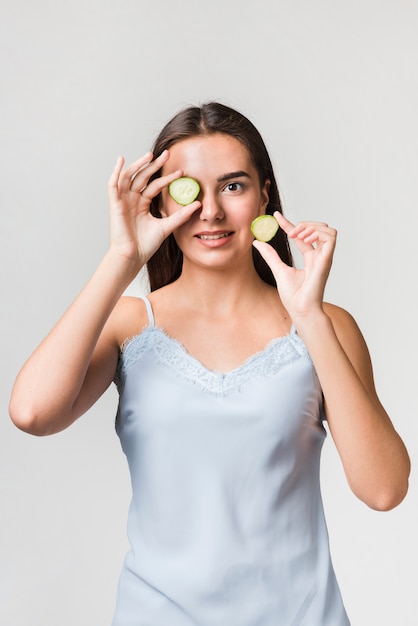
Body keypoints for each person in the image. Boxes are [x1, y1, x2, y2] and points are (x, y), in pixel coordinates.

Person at [9, 102, 410, 626]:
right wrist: (121, 258)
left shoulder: (326, 325)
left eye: (233, 186)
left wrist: (308, 316)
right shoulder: (131, 324)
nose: (210, 212)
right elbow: (32, 413)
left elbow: (383, 489)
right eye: (188, 190)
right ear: (158, 201)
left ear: (265, 193)